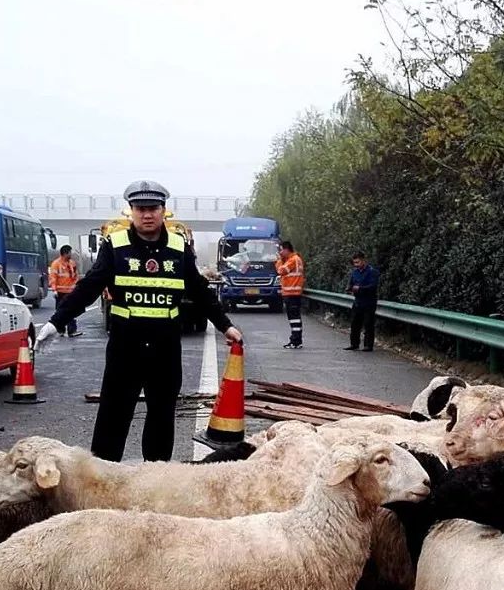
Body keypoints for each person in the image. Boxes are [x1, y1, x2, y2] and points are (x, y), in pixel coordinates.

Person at [35, 180, 243, 462]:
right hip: (125, 350)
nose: (147, 214)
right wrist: (56, 322)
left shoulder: (178, 248)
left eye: (153, 208)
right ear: (131, 211)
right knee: (112, 418)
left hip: (165, 352)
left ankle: (153, 485)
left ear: (163, 211)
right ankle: (102, 485)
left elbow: (199, 290)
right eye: (140, 208)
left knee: (161, 419)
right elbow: (89, 287)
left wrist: (225, 325)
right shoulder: (115, 247)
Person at [344, 251, 380, 352]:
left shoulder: (372, 272)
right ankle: (354, 344)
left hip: (369, 301)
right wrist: (349, 288)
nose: (356, 265)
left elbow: (373, 286)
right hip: (358, 301)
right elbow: (350, 284)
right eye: (354, 263)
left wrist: (360, 288)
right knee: (355, 323)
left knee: (368, 324)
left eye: (358, 262)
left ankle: (368, 345)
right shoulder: (354, 272)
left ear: (363, 260)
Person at [275, 239, 305, 349]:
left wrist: (278, 260)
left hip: (292, 293)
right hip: (292, 293)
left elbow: (281, 271)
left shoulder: (293, 259)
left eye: (281, 250)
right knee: (294, 318)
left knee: (294, 318)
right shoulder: (294, 259)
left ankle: (296, 341)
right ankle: (296, 340)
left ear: (287, 249)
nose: (280, 253)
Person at [48, 245, 82, 337]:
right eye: (70, 252)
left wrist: (76, 286)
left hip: (71, 292)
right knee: (60, 311)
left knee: (71, 311)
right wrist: (54, 290)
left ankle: (72, 330)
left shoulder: (72, 263)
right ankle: (60, 330)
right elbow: (53, 277)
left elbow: (75, 276)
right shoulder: (56, 264)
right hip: (60, 292)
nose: (71, 254)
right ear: (65, 253)